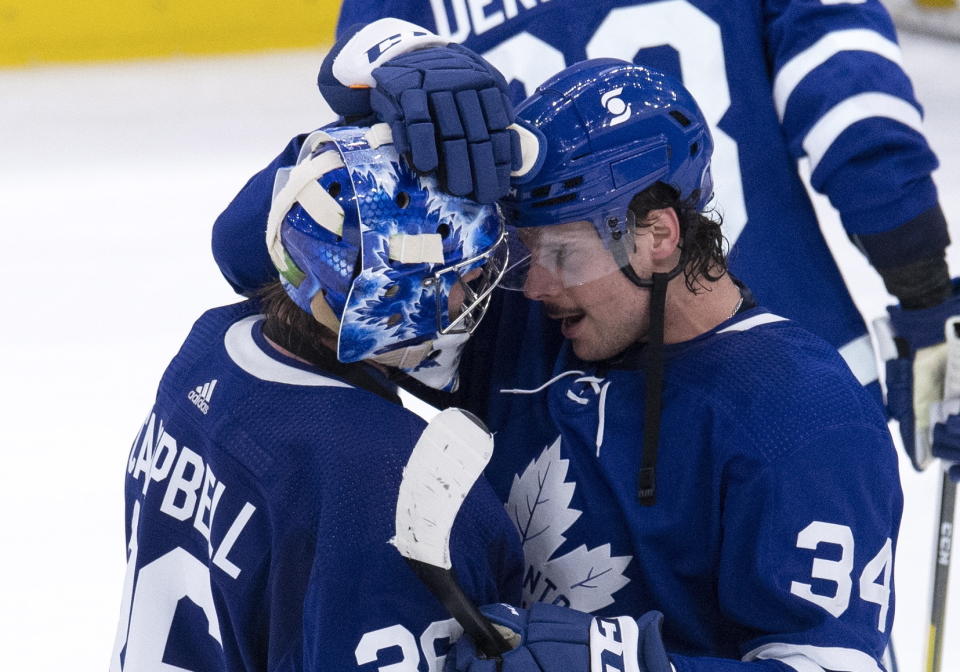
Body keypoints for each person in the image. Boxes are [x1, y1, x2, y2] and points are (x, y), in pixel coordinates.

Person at [213, 2, 960, 479]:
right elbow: (854, 103)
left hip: (540, 402)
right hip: (788, 383)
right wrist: (924, 288)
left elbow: (330, 216)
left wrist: (373, 63)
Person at [441, 58, 903, 672]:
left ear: (656, 236)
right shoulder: (518, 324)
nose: (535, 287)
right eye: (529, 254)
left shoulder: (806, 420)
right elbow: (290, 307)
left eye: (560, 253)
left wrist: (638, 666)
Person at [108, 124, 522, 671]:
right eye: (457, 276)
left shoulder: (209, 349)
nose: (468, 295)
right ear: (387, 294)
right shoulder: (402, 488)